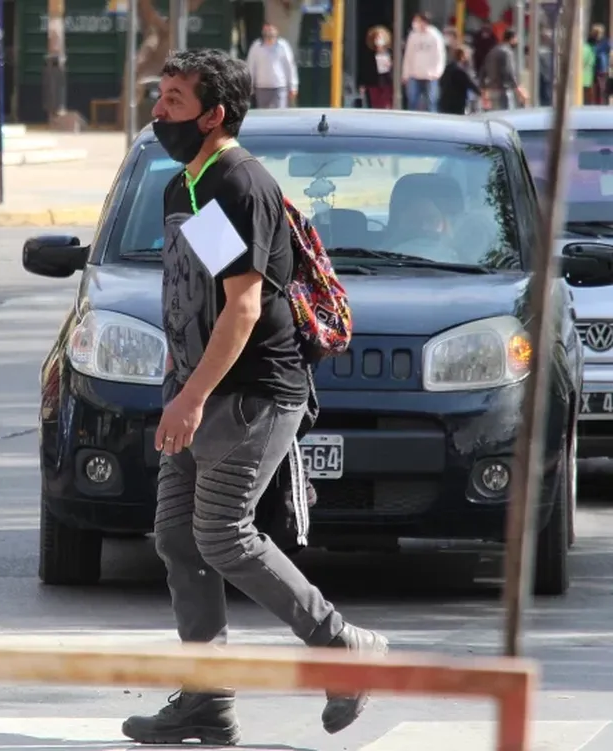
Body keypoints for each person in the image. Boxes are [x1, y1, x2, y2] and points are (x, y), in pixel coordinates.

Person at [120, 48, 388, 746]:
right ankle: (206, 700)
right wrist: (181, 389)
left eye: (173, 100)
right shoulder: (188, 183)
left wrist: (191, 398)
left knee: (222, 533)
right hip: (201, 391)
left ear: (214, 114)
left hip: (254, 394)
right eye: (159, 95)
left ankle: (342, 647)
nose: (158, 110)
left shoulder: (238, 183)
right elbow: (200, 298)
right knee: (177, 537)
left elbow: (243, 307)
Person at [245, 23, 298, 109]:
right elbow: (251, 66)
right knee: (263, 116)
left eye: (272, 33)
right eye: (267, 33)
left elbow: (290, 67)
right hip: (261, 88)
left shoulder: (283, 46)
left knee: (279, 115)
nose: (269, 35)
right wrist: (249, 86)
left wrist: (293, 86)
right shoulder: (256, 46)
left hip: (279, 87)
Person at [402, 11, 447, 111]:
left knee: (431, 102)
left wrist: (437, 72)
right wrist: (405, 74)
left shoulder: (435, 36)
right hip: (415, 75)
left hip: (430, 76)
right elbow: (408, 55)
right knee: (412, 102)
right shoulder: (413, 36)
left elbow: (440, 55)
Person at [438, 45, 481, 115]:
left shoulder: (447, 68)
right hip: (457, 104)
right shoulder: (462, 70)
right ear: (463, 56)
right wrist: (481, 93)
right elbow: (471, 84)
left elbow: (441, 82)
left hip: (444, 102)